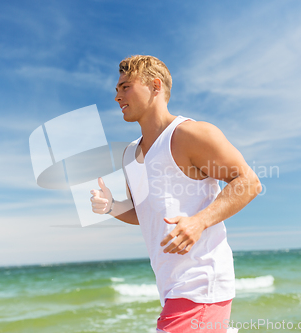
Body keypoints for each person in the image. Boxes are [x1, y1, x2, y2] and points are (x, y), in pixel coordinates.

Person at [90, 55, 261, 333]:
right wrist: (111, 206)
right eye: (117, 89)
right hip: (171, 288)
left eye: (125, 87)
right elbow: (144, 214)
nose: (117, 96)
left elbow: (249, 182)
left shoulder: (190, 134)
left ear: (155, 86)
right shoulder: (129, 155)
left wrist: (199, 221)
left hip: (201, 285)